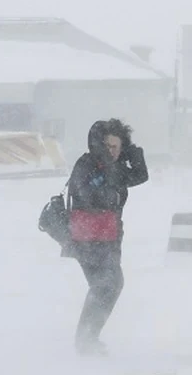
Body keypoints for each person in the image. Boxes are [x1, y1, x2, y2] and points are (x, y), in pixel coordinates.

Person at [63, 118, 148, 355]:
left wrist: (133, 152)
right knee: (106, 285)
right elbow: (90, 197)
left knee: (108, 285)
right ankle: (85, 340)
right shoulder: (87, 164)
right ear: (98, 144)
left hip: (108, 237)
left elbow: (141, 175)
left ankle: (88, 338)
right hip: (86, 239)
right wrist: (111, 169)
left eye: (116, 147)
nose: (112, 151)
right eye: (108, 146)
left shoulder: (116, 168)